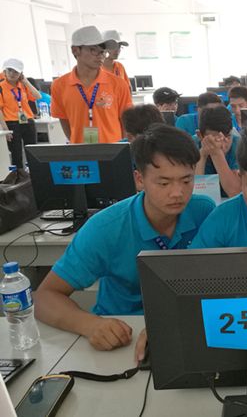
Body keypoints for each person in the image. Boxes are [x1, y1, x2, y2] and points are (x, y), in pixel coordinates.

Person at [34, 124, 216, 352]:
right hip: (122, 333)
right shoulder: (105, 228)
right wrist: (90, 325)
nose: (177, 193)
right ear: (139, 179)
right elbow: (44, 297)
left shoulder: (203, 212)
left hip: (184, 327)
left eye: (186, 181)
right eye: (163, 183)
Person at [51, 26, 132, 144]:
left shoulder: (118, 84)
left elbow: (126, 120)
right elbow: (63, 119)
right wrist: (76, 141)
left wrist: (121, 146)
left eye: (103, 51)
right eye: (94, 50)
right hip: (79, 150)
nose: (100, 56)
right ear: (75, 50)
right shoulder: (59, 85)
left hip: (113, 150)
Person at [0, 59, 41, 168]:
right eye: (9, 70)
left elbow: (38, 96)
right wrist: (5, 129)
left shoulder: (23, 85)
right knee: (16, 153)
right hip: (11, 123)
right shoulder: (1, 87)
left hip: (28, 121)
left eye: (16, 72)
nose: (12, 74)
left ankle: (35, 172)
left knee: (33, 151)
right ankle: (19, 175)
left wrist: (26, 82)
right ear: (4, 71)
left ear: (21, 74)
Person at [195, 105, 242, 197]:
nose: (223, 143)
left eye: (228, 136)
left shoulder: (240, 146)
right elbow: (195, 195)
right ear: (200, 135)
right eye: (216, 138)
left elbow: (235, 193)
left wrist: (217, 155)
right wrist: (202, 155)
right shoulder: (192, 146)